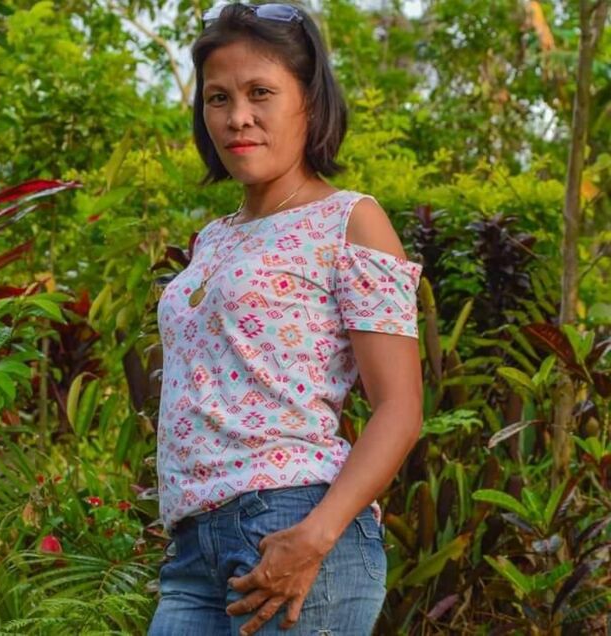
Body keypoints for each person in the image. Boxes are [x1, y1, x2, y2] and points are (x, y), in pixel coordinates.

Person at [148, 3, 423, 635]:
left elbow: (400, 407)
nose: (237, 116)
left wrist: (314, 536)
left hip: (294, 521)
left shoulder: (350, 220)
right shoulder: (213, 238)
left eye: (261, 93)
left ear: (310, 102)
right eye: (218, 98)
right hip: (193, 551)